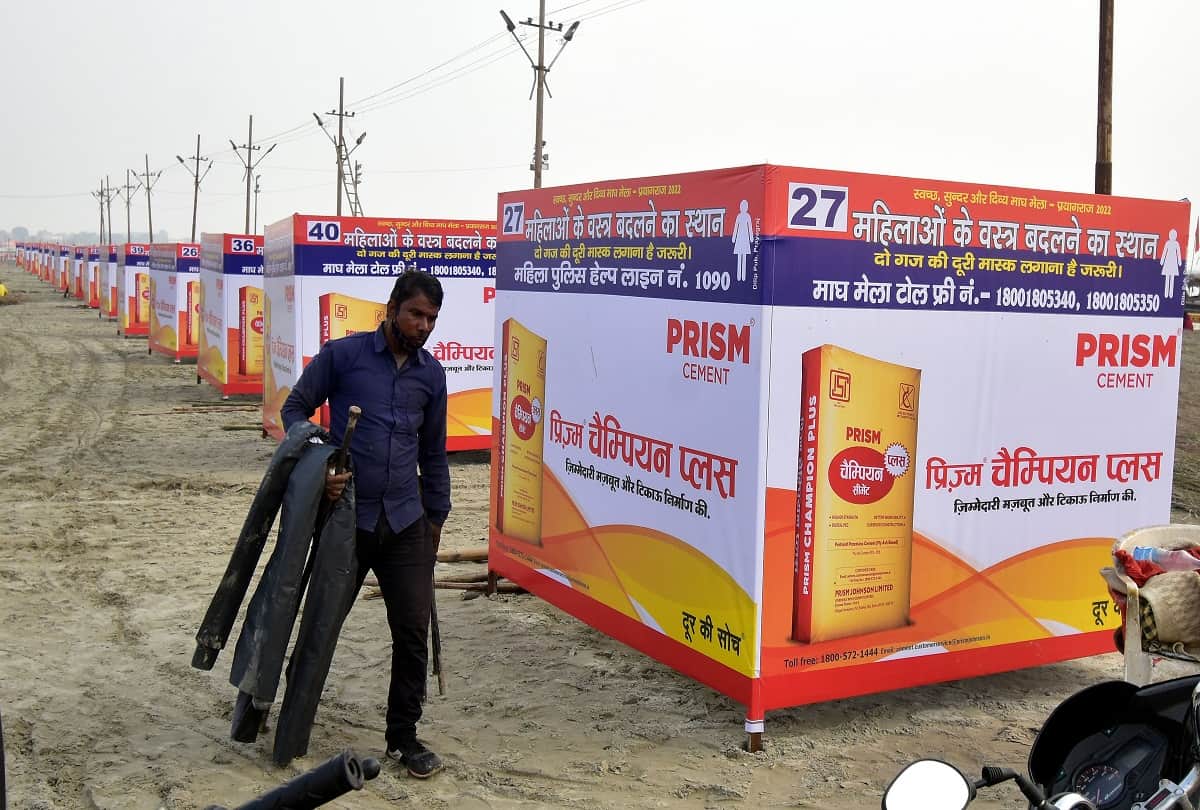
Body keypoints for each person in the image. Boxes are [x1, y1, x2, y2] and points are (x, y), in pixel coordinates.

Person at [280, 270, 451, 779]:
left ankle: (404, 737)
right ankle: (292, 715)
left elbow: (434, 454)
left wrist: (435, 518)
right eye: (416, 313)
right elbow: (295, 411)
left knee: (412, 633)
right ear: (393, 306)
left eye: (432, 319)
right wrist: (321, 468)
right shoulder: (344, 356)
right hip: (346, 521)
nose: (423, 326)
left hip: (405, 521)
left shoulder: (431, 375)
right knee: (321, 623)